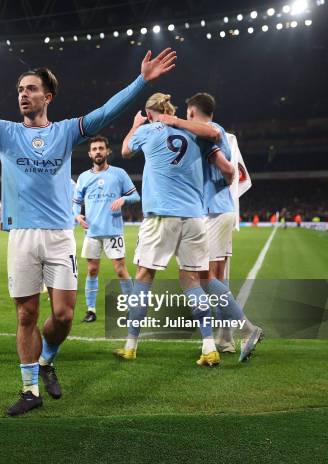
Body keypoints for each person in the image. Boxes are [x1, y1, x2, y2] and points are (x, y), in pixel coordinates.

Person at [0, 47, 177, 415]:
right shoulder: (4, 133)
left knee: (63, 316)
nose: (23, 95)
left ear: (47, 96)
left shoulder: (65, 132)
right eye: (19, 90)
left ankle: (47, 360)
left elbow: (107, 112)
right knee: (26, 315)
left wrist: (142, 81)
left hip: (60, 234)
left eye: (30, 89)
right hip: (22, 236)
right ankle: (30, 388)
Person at [120, 92, 234, 366]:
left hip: (161, 215)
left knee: (144, 276)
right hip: (195, 216)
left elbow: (125, 150)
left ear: (149, 113)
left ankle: (130, 345)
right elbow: (219, 147)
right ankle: (208, 347)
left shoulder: (147, 130)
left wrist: (136, 124)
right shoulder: (197, 132)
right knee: (192, 281)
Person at [162, 92, 263, 362]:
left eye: (186, 114)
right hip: (215, 211)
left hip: (216, 212)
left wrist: (172, 121)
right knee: (211, 277)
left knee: (204, 277)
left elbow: (230, 169)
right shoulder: (203, 136)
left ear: (192, 112)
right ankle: (227, 339)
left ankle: (246, 330)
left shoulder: (213, 131)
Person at [73, 135, 140, 322]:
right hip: (92, 232)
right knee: (92, 270)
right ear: (89, 154)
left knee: (121, 270)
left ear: (107, 151)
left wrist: (124, 199)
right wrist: (77, 215)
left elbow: (136, 196)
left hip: (113, 231)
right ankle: (91, 310)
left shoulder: (119, 174)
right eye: (94, 149)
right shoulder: (84, 178)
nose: (98, 152)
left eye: (101, 148)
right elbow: (76, 203)